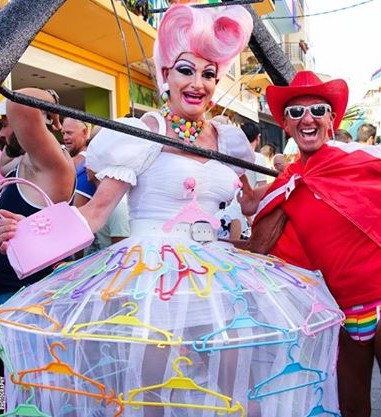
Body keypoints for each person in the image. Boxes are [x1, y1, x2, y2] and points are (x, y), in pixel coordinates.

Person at [0, 7, 342, 417]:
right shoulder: (141, 133)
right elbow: (96, 213)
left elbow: (251, 203)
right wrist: (26, 234)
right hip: (152, 280)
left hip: (220, 280)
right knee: (155, 394)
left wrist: (296, 174)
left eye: (208, 73)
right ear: (166, 74)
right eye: (186, 70)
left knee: (230, 386)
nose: (198, 83)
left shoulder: (229, 139)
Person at [241, 70, 381, 417]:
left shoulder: (360, 159)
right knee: (351, 412)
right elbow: (262, 247)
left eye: (318, 110)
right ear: (286, 125)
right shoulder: (288, 182)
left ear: (332, 120)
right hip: (342, 315)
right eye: (296, 112)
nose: (308, 119)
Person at [0, 89, 75, 302]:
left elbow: (18, 102)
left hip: (27, 299)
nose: (1, 132)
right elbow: (4, 162)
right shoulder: (25, 162)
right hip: (15, 293)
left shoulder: (51, 164)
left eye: (4, 124)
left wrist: (50, 101)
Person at [61, 117, 96, 207]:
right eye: (63, 133)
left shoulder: (88, 160)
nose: (65, 137)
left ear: (85, 132)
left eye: (69, 133)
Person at [241, 121, 267, 188]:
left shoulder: (234, 155)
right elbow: (262, 185)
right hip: (252, 194)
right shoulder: (258, 157)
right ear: (257, 137)